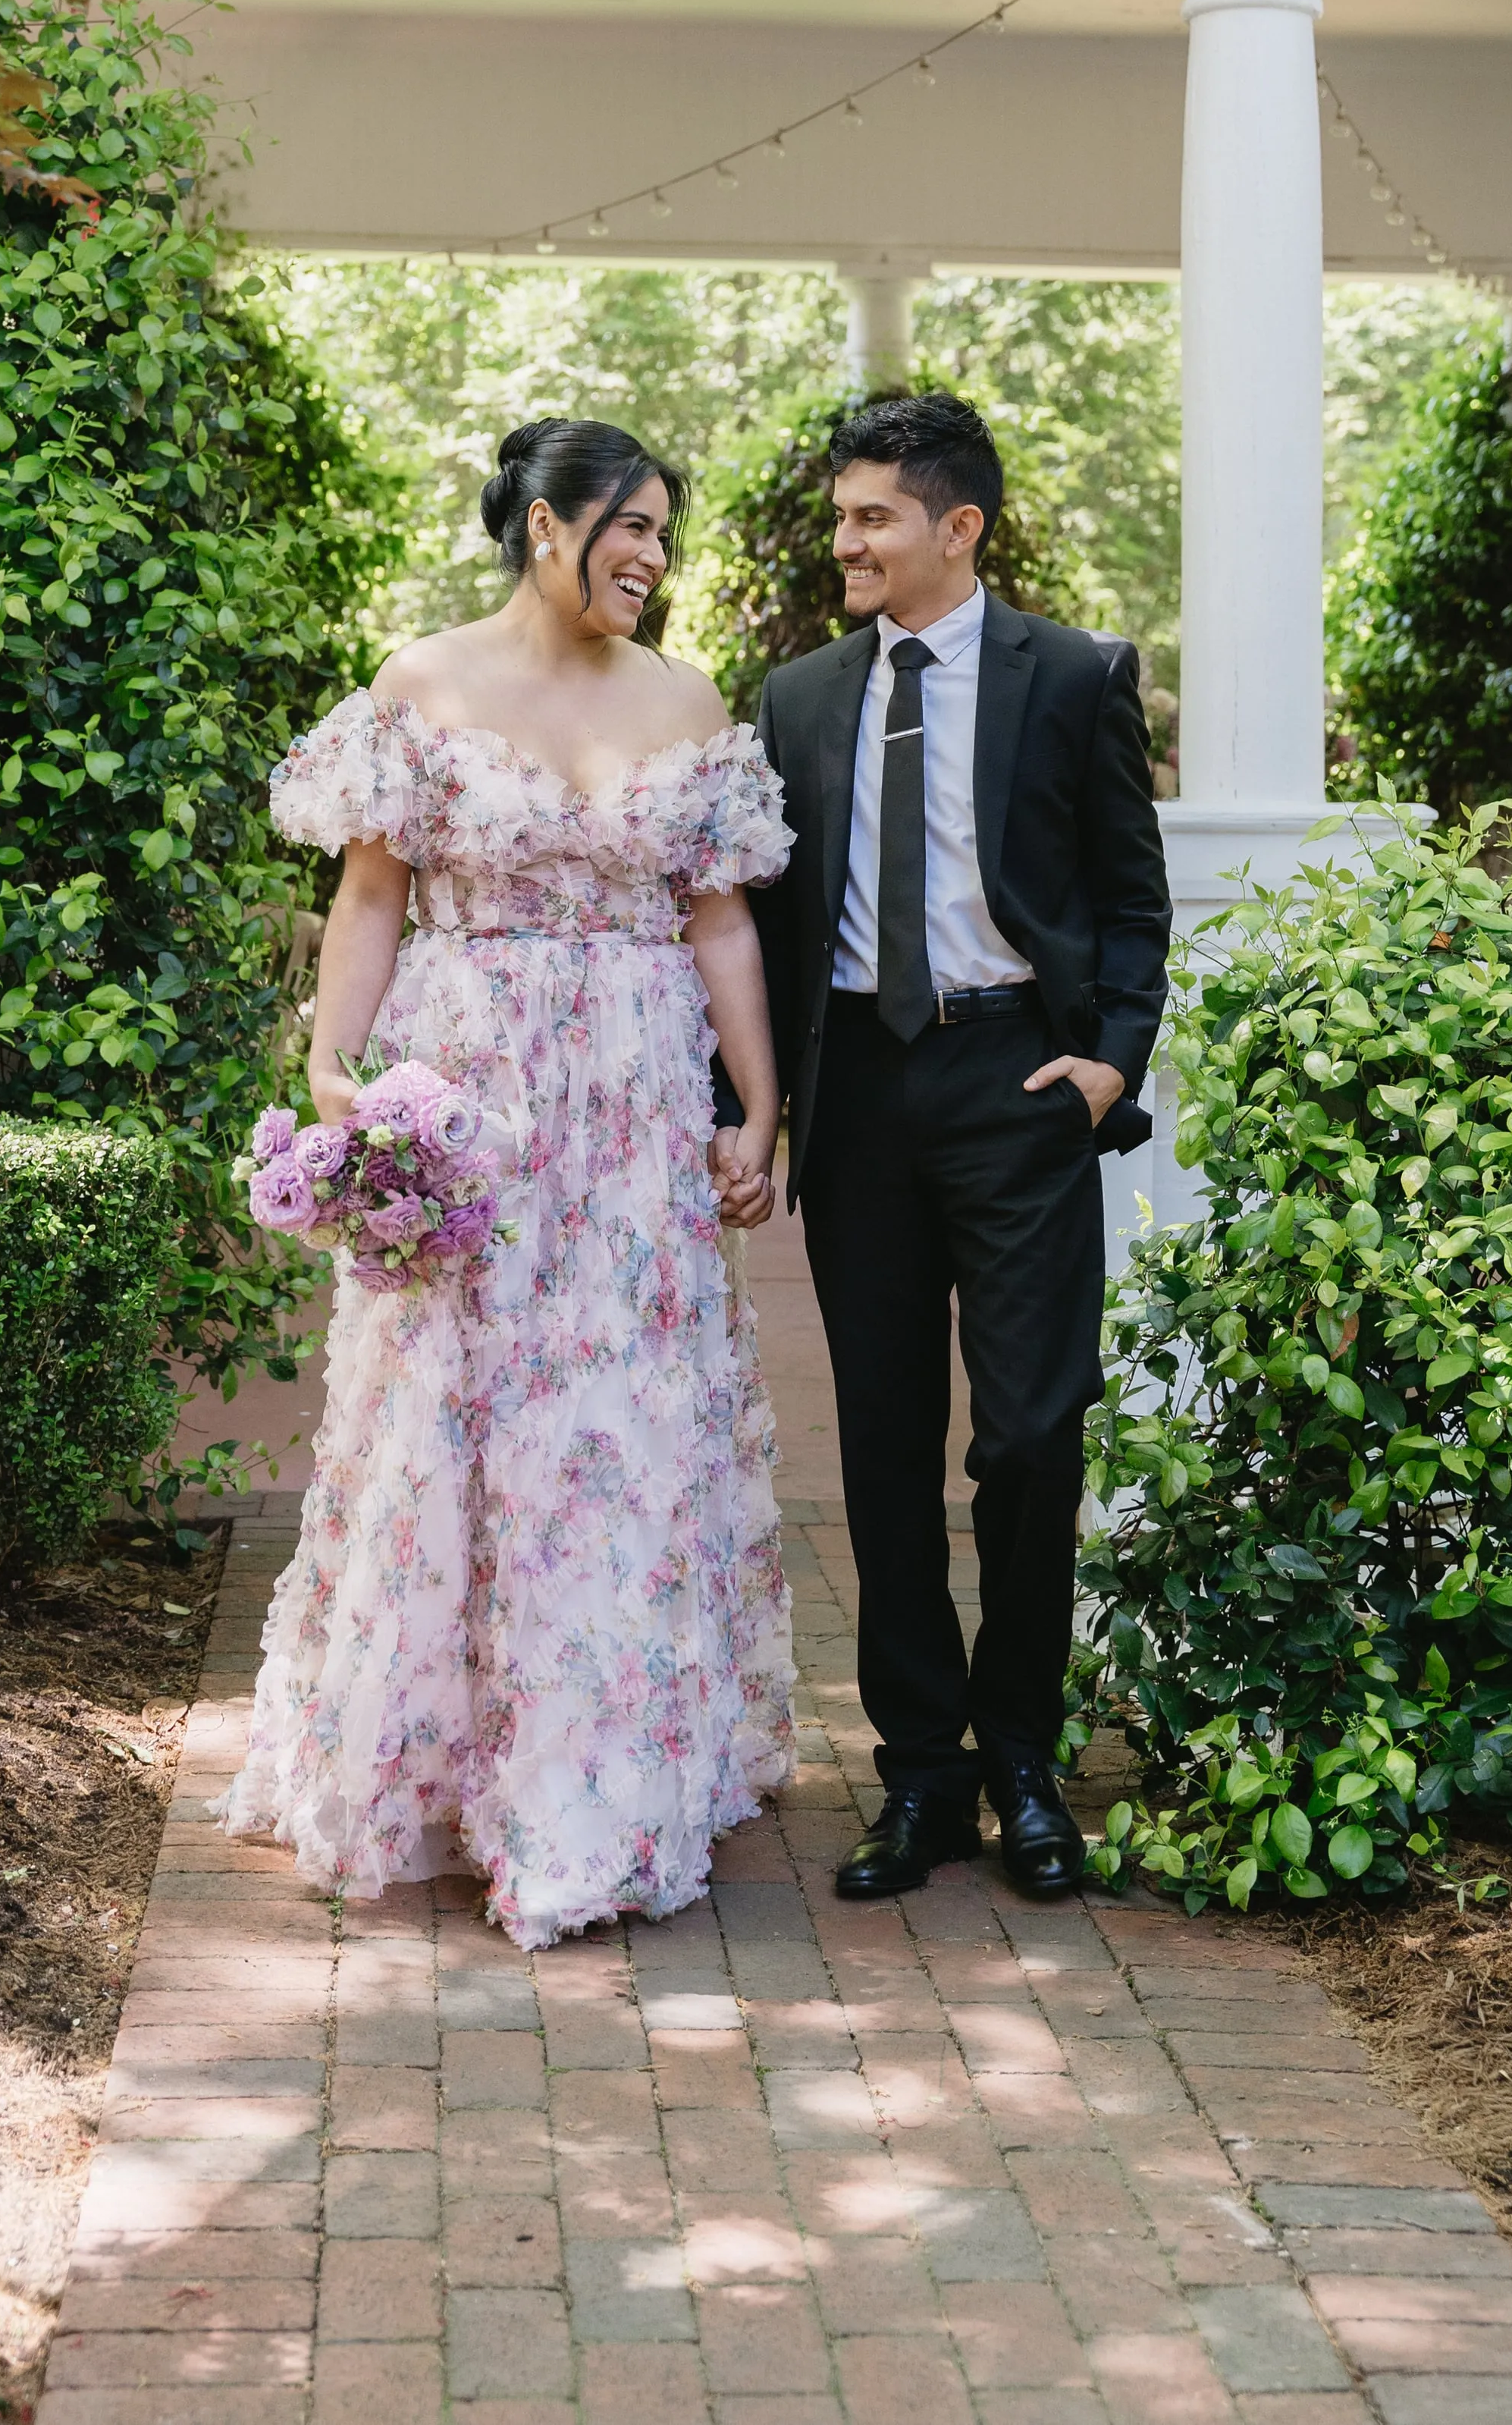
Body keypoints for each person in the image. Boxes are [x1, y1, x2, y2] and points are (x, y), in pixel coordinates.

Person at [218, 418, 795, 1951]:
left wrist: (757, 1104)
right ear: (548, 525)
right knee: (456, 1409)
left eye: (663, 534)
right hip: (474, 1096)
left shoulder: (686, 699)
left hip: (634, 1117)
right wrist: (333, 1063)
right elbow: (371, 896)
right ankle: (438, 1765)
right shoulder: (422, 683)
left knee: (614, 1427)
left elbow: (721, 922)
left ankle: (596, 1781)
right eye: (632, 528)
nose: (653, 557)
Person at [751, 391, 1170, 1902]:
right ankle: (920, 1775)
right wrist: (753, 1105)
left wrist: (1108, 1063)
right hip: (859, 1094)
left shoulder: (1074, 676)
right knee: (881, 1445)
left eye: (873, 517)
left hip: (1018, 1082)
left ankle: (1024, 1761)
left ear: (959, 526)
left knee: (1031, 1437)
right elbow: (763, 922)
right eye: (843, 516)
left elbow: (1130, 895)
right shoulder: (797, 696)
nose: (846, 542)